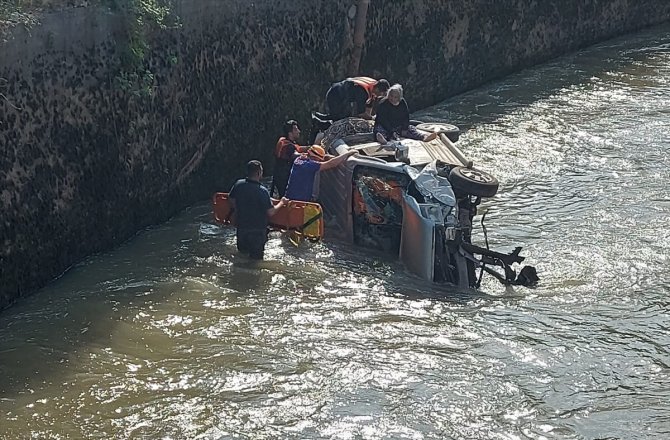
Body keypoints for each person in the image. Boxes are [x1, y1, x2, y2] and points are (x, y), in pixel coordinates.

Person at [229, 160, 288, 260]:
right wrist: (282, 202)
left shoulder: (239, 184)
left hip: (242, 228)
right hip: (257, 232)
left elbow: (231, 199)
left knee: (241, 257)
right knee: (255, 261)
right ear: (259, 173)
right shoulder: (262, 190)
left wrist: (239, 210)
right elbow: (271, 212)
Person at [285, 145, 358, 202]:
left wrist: (330, 157)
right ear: (315, 158)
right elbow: (331, 164)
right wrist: (348, 153)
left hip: (291, 197)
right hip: (298, 202)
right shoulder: (310, 166)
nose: (319, 161)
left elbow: (322, 159)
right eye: (318, 159)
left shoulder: (300, 159)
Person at [373, 83, 438, 145]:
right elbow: (382, 120)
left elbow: (406, 116)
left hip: (398, 126)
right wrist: (391, 131)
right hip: (386, 126)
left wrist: (404, 127)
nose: (392, 98)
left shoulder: (402, 103)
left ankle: (423, 137)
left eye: (395, 97)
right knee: (380, 130)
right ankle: (383, 139)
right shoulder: (383, 104)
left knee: (410, 129)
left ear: (399, 98)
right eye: (391, 96)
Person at [324, 77, 391, 121]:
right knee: (337, 119)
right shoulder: (363, 92)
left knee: (340, 116)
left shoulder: (373, 87)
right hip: (335, 94)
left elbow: (368, 110)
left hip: (342, 97)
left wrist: (370, 119)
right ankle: (316, 120)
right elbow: (361, 113)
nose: (381, 96)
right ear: (377, 89)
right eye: (382, 94)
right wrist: (374, 118)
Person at [272, 120, 310, 198]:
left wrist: (310, 147)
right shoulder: (288, 146)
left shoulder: (283, 140)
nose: (299, 131)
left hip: (277, 175)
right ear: (290, 133)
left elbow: (298, 148)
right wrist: (310, 155)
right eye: (296, 129)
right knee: (286, 199)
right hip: (284, 177)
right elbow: (295, 155)